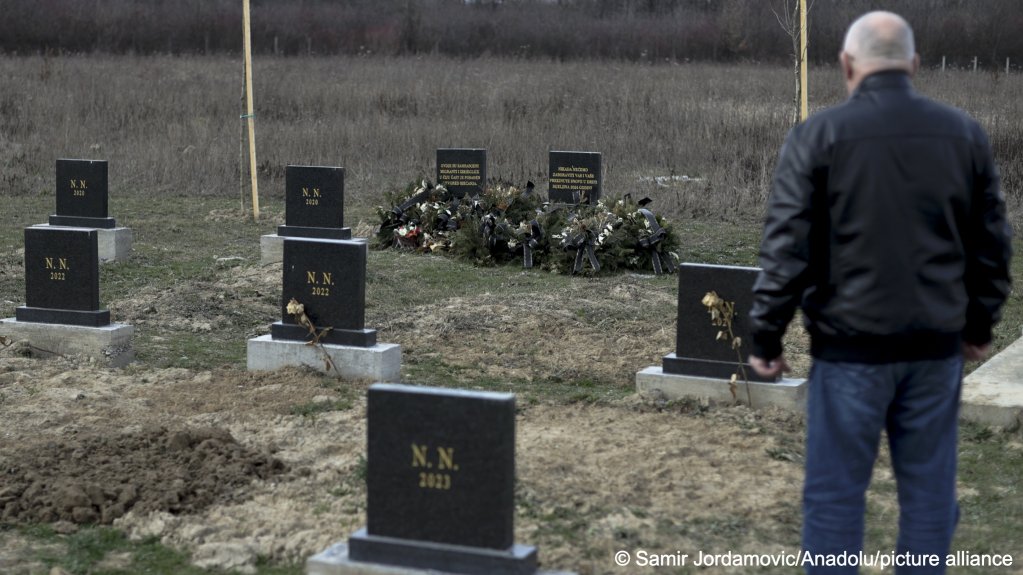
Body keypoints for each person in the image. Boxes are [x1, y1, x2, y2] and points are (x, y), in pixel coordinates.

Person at [748, 10, 1012, 575]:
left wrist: (766, 335)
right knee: (929, 500)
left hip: (849, 352)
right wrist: (979, 325)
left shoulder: (817, 135)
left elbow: (788, 247)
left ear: (847, 64)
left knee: (836, 501)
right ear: (914, 65)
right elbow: (991, 244)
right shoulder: (963, 134)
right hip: (934, 351)